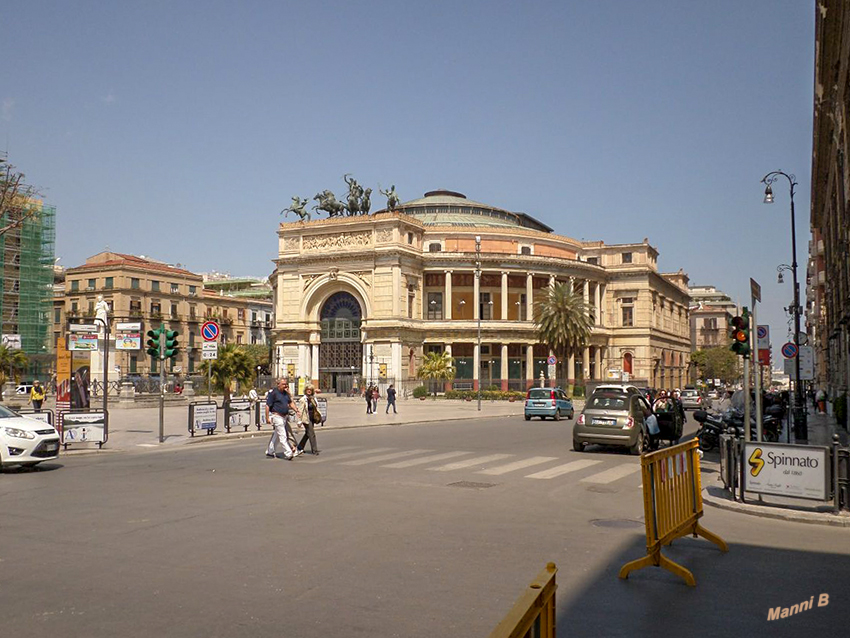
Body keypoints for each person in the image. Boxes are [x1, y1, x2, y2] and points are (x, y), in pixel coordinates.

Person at [265, 378, 302, 460]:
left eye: (286, 384)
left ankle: (270, 451)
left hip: (284, 417)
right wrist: (267, 417)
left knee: (277, 435)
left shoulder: (285, 393)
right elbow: (267, 406)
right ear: (278, 384)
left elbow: (290, 403)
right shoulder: (273, 393)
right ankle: (288, 453)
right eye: (283, 384)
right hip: (277, 416)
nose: (285, 386)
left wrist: (296, 410)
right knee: (283, 435)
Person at [296, 384, 320, 455]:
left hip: (312, 418)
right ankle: (314, 450)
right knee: (312, 434)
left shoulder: (313, 398)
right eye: (307, 389)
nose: (309, 391)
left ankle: (300, 447)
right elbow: (300, 410)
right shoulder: (303, 400)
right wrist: (299, 420)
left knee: (307, 433)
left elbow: (316, 408)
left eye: (310, 390)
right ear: (305, 390)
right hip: (306, 418)